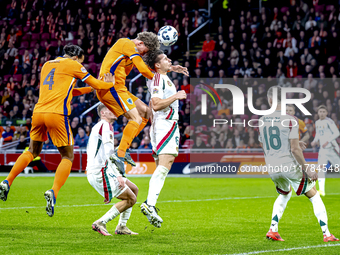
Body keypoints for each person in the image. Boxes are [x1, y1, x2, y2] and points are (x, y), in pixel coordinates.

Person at [0, 45, 115, 217]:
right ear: (76, 57)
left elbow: (66, 91)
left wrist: (87, 90)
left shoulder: (47, 65)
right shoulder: (73, 64)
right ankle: (53, 192)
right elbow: (97, 83)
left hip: (38, 112)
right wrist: (109, 83)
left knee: (32, 151)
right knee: (68, 156)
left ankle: (7, 181)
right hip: (57, 114)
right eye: (81, 61)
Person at [96, 32, 188, 171]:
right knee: (136, 118)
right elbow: (143, 69)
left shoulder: (129, 51)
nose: (143, 55)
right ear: (140, 44)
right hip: (110, 87)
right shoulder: (126, 44)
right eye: (144, 51)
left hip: (120, 89)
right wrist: (160, 77)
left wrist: (170, 68)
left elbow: (149, 67)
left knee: (146, 112)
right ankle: (119, 154)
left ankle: (123, 149)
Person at [259, 86, 338, 242]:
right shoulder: (291, 120)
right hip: (288, 165)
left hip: (272, 166)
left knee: (284, 193)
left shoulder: (261, 120)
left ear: (269, 100)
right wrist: (307, 169)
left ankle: (272, 230)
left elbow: (264, 145)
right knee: (314, 195)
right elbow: (295, 149)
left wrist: (290, 147)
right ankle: (327, 234)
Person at [140, 49, 187, 228]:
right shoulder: (158, 79)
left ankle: (149, 204)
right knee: (165, 165)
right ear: (157, 65)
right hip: (166, 123)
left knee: (161, 166)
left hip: (161, 124)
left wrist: (171, 68)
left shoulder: (159, 77)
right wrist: (176, 95)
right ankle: (150, 204)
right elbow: (157, 104)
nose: (170, 60)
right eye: (166, 59)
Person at [87, 104, 138, 236]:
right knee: (130, 199)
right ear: (103, 113)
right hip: (101, 171)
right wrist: (118, 175)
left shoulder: (98, 126)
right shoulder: (105, 125)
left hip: (100, 169)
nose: (115, 111)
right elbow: (108, 153)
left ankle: (122, 226)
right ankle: (101, 222)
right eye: (111, 109)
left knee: (134, 189)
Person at [311, 105, 340, 197]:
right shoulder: (317, 122)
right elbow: (318, 134)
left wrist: (328, 141)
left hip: (332, 149)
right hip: (323, 150)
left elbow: (337, 133)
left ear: (327, 113)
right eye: (320, 112)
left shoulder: (329, 121)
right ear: (318, 113)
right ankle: (322, 190)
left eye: (324, 112)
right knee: (320, 169)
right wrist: (315, 141)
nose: (322, 113)